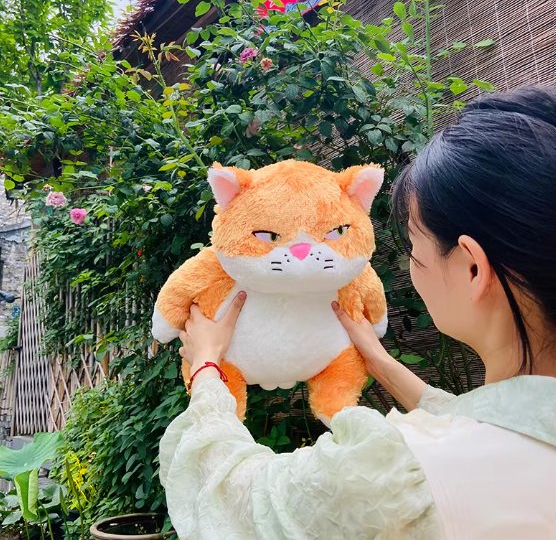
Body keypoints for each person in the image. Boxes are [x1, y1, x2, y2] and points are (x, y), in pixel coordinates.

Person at [158, 86, 556, 539]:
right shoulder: (512, 441)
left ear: (471, 268)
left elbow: (236, 500)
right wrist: (379, 360)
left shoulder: (397, 475)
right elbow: (487, 424)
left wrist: (207, 367)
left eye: (414, 249)